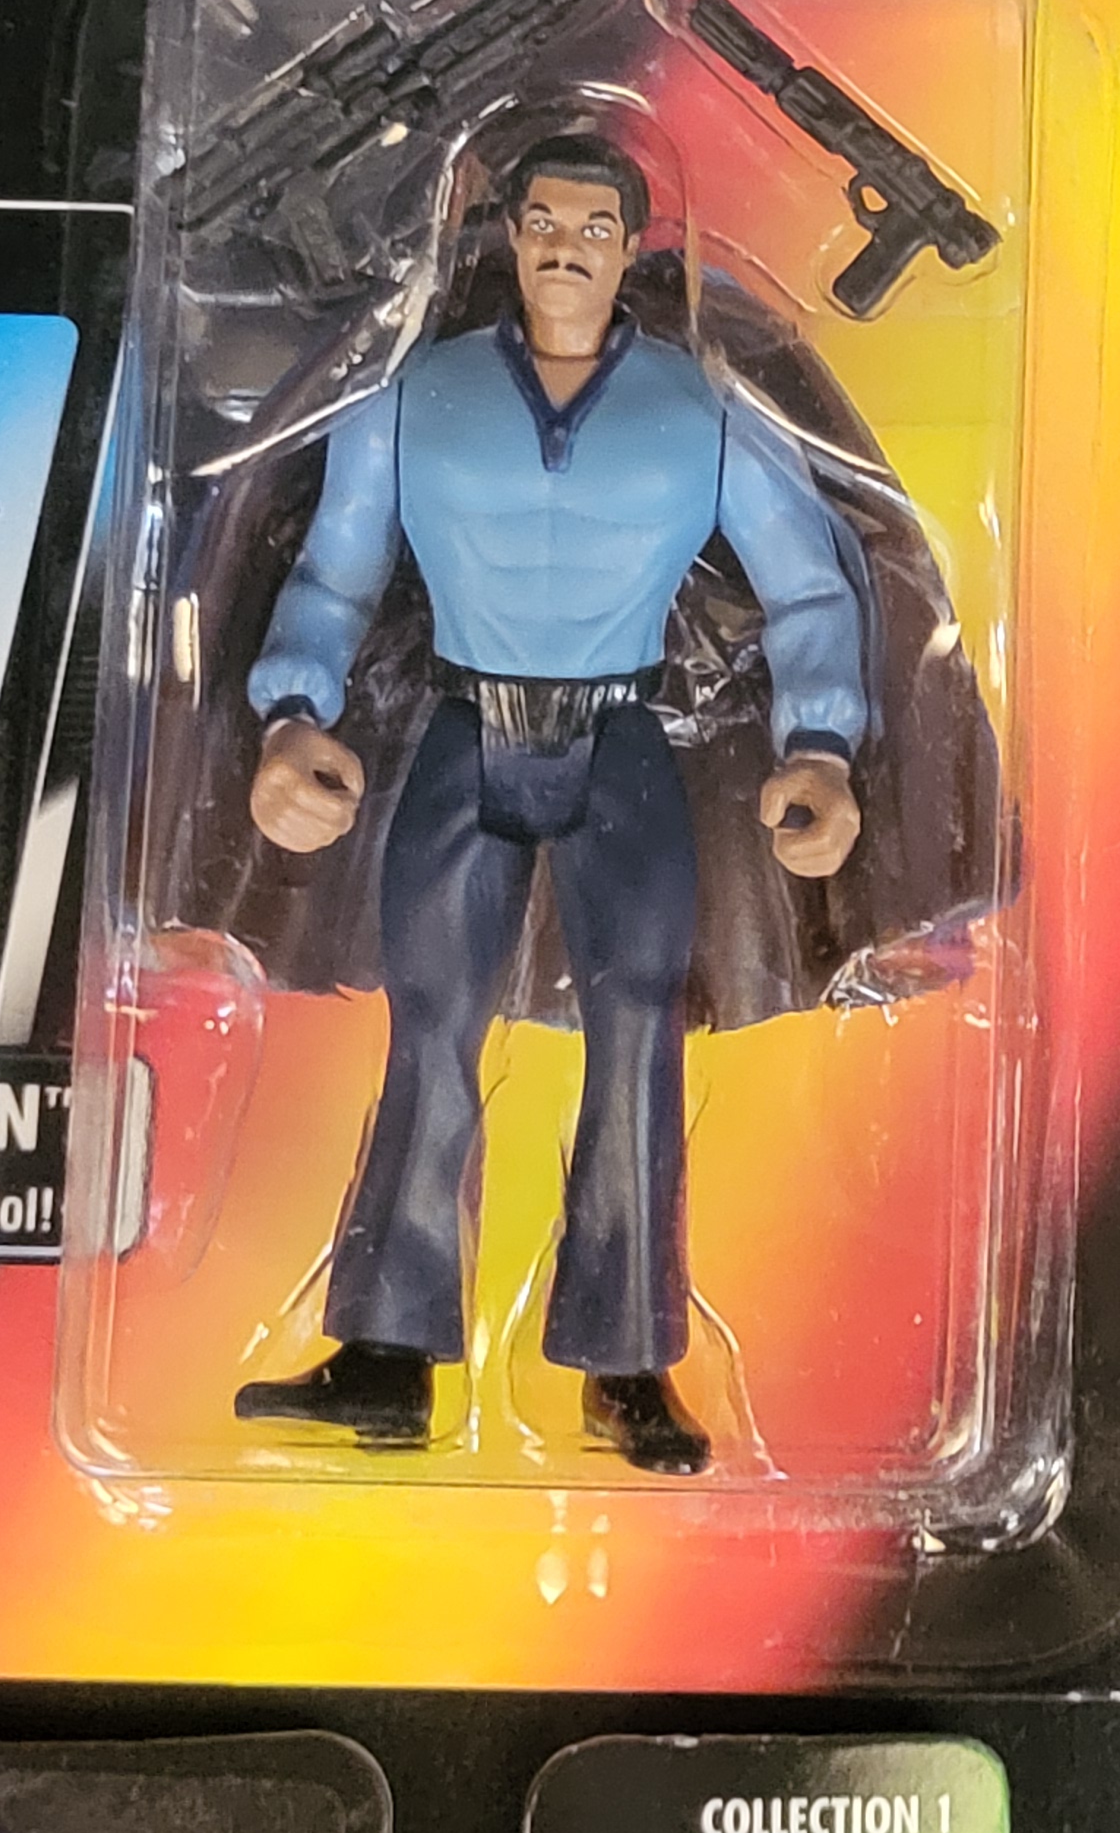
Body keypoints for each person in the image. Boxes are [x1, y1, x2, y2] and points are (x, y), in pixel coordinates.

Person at [229, 136, 870, 1471]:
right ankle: (386, 1355)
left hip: (620, 740)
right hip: (463, 731)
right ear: (508, 234)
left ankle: (627, 1366)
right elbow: (335, 574)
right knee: (432, 1030)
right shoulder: (415, 394)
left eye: (592, 225)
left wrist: (819, 747)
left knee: (637, 1036)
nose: (565, 246)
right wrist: (291, 717)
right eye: (542, 221)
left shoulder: (703, 408)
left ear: (633, 244)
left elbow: (809, 583)